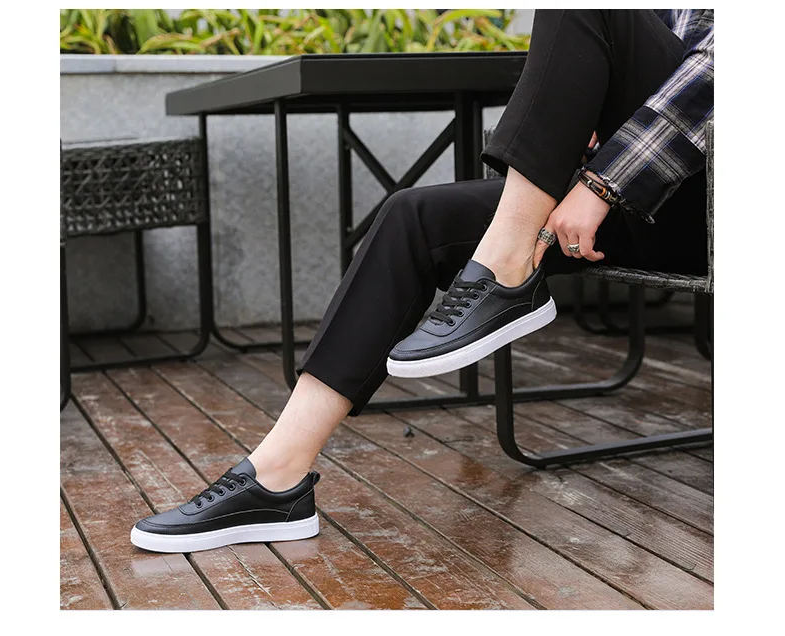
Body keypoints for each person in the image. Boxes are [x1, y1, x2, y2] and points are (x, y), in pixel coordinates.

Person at [130, 9, 714, 553]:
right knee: (412, 215)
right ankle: (276, 478)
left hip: (702, 202)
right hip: (644, 194)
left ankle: (505, 269)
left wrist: (603, 182)